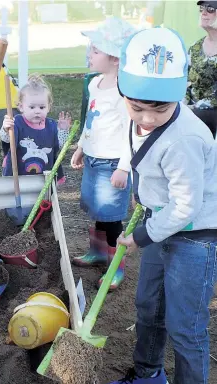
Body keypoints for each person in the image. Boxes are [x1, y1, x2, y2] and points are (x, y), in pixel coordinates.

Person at [100, 27, 217, 384]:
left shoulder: (185, 139)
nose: (147, 118)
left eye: (159, 109)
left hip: (195, 234)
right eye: (137, 108)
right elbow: (141, 155)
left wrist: (142, 235)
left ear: (179, 95)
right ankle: (149, 374)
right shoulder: (132, 108)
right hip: (159, 221)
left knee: (186, 326)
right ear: (123, 91)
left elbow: (185, 207)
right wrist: (144, 199)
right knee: (149, 305)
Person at [70, 17, 136, 290]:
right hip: (95, 160)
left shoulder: (124, 90)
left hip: (113, 163)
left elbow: (132, 130)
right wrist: (82, 147)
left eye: (96, 50)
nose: (89, 54)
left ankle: (115, 266)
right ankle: (98, 252)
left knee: (111, 217)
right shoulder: (95, 84)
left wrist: (124, 167)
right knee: (97, 208)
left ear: (116, 59)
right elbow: (90, 121)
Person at [0, 74, 71, 184]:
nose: (37, 111)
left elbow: (59, 145)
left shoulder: (51, 125)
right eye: (32, 107)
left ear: (49, 107)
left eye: (42, 107)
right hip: (19, 176)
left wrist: (63, 130)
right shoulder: (17, 122)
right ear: (21, 106)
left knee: (43, 199)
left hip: (44, 176)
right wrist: (6, 129)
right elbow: (7, 140)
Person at [184, 1, 217, 137]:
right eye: (202, 8)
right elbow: (186, 82)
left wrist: (194, 109)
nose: (204, 12)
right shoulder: (195, 47)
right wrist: (182, 105)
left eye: (210, 9)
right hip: (193, 115)